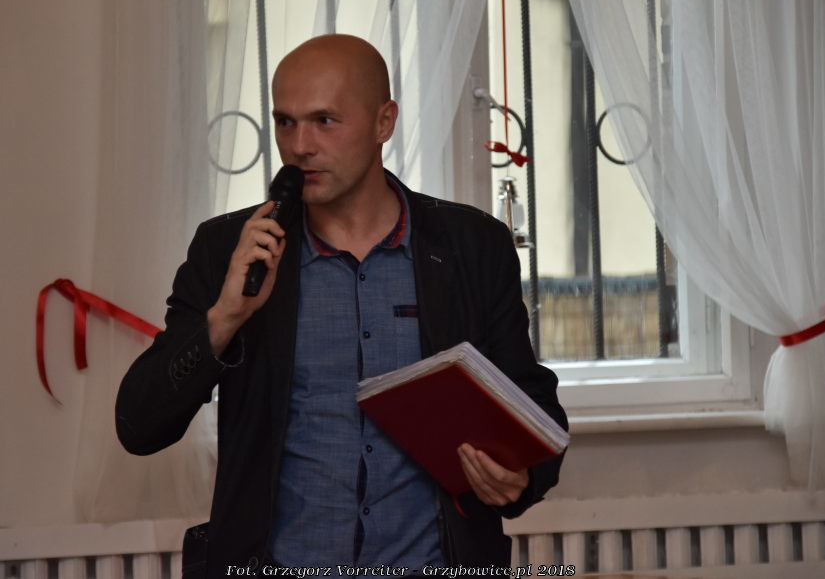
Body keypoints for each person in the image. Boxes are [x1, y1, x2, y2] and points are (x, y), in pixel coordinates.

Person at [115, 34, 566, 573]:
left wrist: (519, 477)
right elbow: (139, 426)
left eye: (324, 121)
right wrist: (225, 318)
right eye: (285, 122)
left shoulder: (472, 246)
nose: (299, 145)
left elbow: (531, 406)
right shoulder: (227, 250)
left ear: (384, 122)